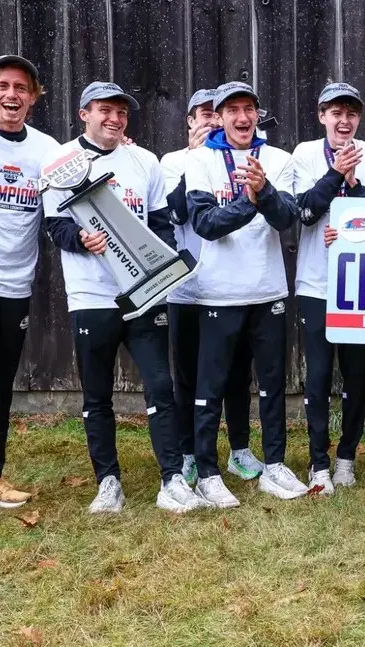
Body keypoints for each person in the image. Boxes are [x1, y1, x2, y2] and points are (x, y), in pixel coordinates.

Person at [43, 82, 205, 513]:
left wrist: (162, 263)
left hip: (143, 296)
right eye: (105, 111)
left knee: (159, 385)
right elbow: (55, 227)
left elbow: (159, 221)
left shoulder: (144, 160)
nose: (114, 119)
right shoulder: (60, 163)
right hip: (91, 298)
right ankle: (108, 483)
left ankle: (171, 480)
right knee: (97, 394)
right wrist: (81, 237)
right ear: (84, 114)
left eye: (121, 113)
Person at [185, 81, 304, 508]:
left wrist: (265, 191)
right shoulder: (199, 161)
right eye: (232, 109)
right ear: (218, 116)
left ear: (257, 112)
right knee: (210, 388)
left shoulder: (279, 158)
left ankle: (275, 464)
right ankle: (208, 472)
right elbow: (205, 224)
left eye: (249, 108)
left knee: (272, 385)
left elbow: (288, 218)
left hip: (268, 289)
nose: (242, 117)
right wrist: (250, 201)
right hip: (216, 292)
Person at [0, 55, 57, 509]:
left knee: (0, 383)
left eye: (22, 87)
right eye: (2, 85)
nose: (11, 94)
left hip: (16, 286)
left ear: (34, 97)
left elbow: (81, 182)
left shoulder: (46, 149)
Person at [161, 88, 261, 486]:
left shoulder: (233, 159)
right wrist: (192, 161)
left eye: (213, 115)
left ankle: (239, 449)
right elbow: (174, 212)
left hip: (229, 286)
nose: (210, 122)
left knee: (236, 373)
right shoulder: (171, 161)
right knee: (186, 375)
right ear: (188, 121)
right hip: (186, 287)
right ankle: (187, 453)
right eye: (201, 115)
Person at [293, 82, 365, 493]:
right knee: (317, 378)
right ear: (321, 116)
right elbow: (306, 212)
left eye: (351, 114)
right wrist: (335, 175)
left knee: (355, 376)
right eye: (336, 113)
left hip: (358, 286)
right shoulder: (303, 154)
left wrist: (351, 192)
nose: (344, 121)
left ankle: (346, 457)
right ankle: (318, 465)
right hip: (315, 283)